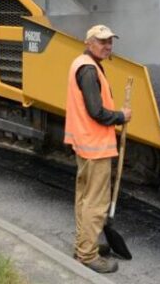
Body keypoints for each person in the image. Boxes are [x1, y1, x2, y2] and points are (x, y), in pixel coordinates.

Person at [64, 24, 131, 274]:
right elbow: (96, 111)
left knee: (84, 198)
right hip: (95, 147)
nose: (107, 46)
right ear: (89, 42)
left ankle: (84, 245)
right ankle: (88, 255)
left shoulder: (81, 63)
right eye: (102, 41)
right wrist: (121, 116)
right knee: (96, 203)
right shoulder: (89, 70)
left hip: (85, 144)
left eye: (110, 41)